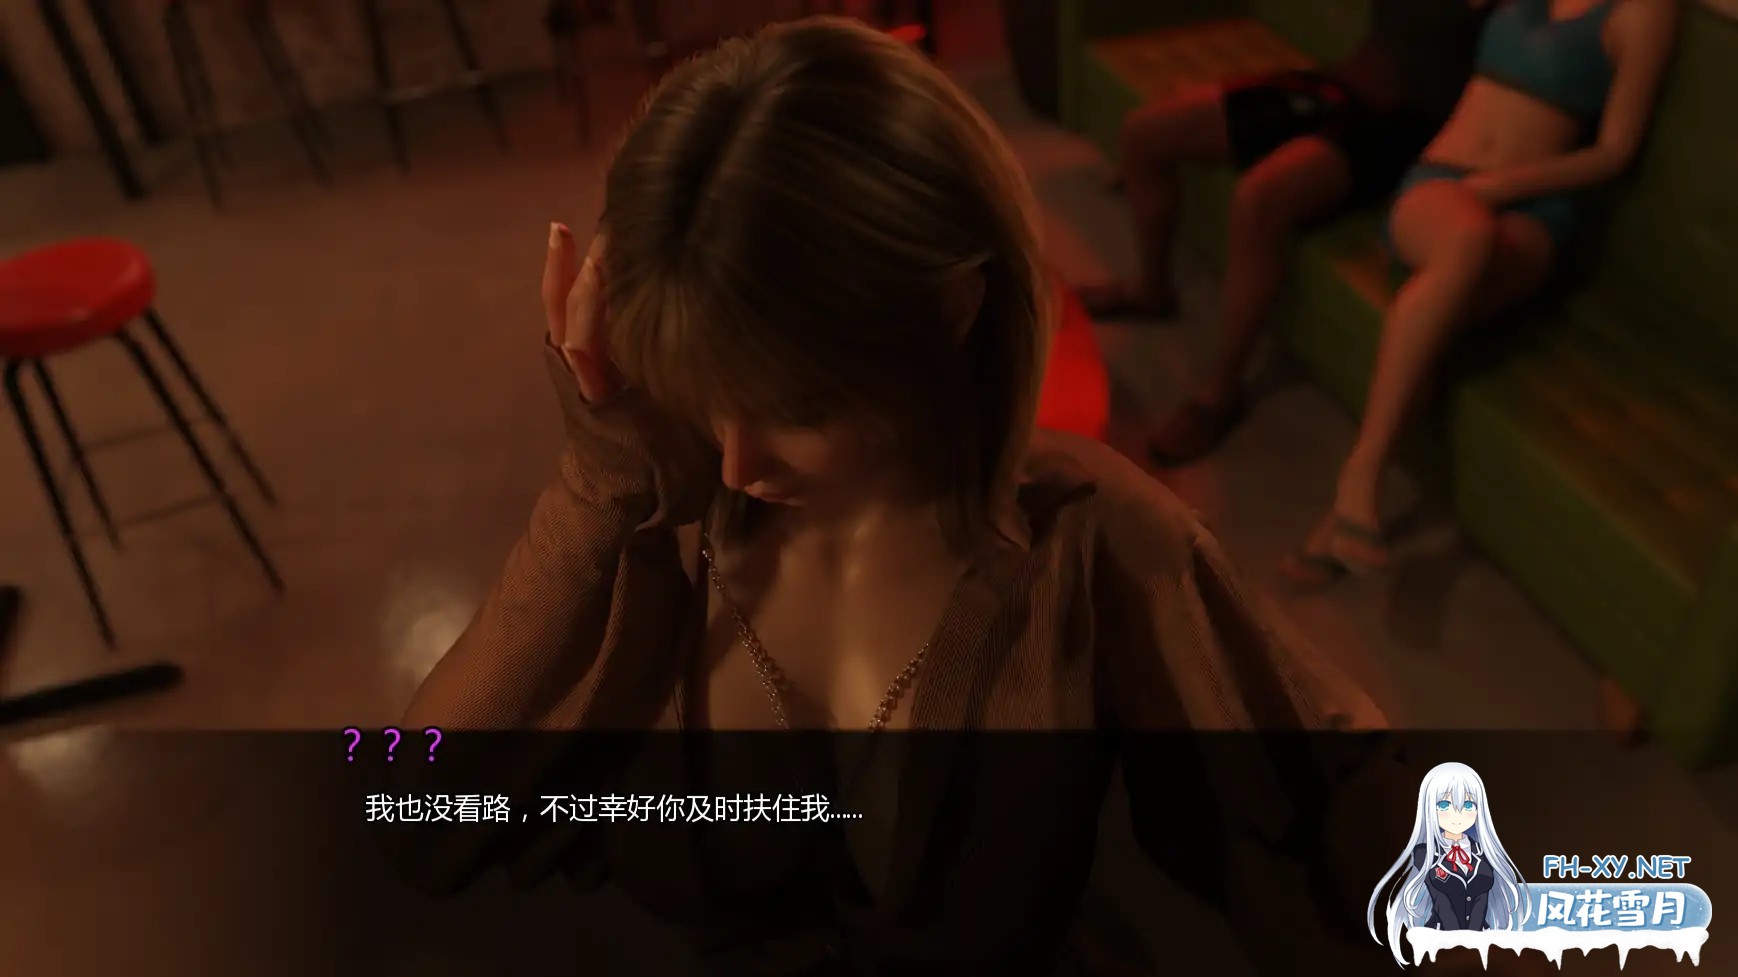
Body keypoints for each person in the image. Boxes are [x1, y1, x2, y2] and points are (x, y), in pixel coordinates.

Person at [401, 17, 1394, 976]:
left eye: (795, 408)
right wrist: (598, 481)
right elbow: (420, 817)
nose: (736, 464)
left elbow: (1339, 818)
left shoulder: (1092, 538)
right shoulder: (659, 529)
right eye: (707, 395)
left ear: (951, 311)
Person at [1286, 0, 1678, 584]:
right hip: (1443, 181)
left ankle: (1350, 501)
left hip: (1534, 209)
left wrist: (1502, 186)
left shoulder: (1644, 10)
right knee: (1465, 247)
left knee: (1439, 313)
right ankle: (1359, 482)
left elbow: (1615, 152)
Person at [1087, 0, 1494, 466]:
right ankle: (1150, 290)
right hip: (1339, 85)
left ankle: (1221, 392)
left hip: (1406, 128)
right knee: (1144, 132)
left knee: (1258, 200)